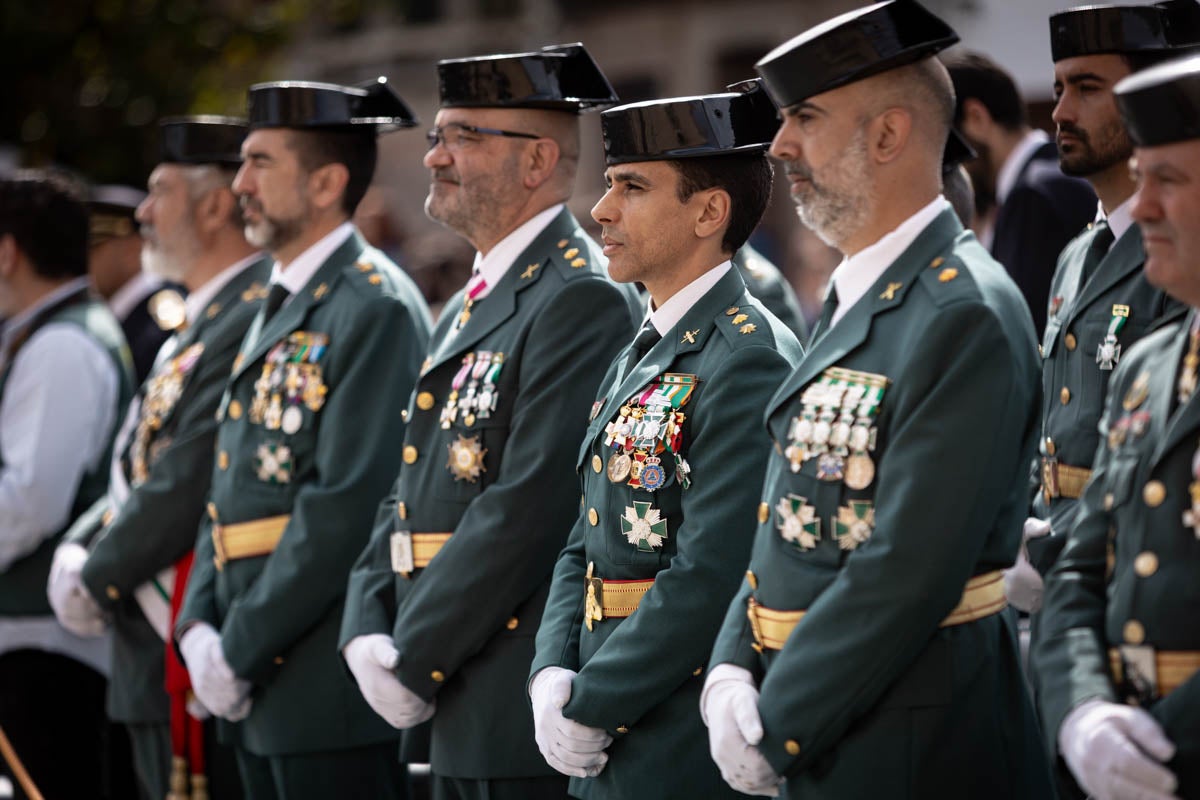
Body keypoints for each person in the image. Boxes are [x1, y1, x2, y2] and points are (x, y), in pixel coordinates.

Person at [700, 3, 1053, 797]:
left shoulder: (962, 310)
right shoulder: (860, 293)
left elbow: (906, 571)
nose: (779, 144)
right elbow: (787, 512)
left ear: (889, 135)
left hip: (918, 743)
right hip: (833, 725)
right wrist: (731, 665)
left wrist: (779, 721)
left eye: (805, 117)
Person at [338, 43, 638, 800]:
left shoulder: (579, 295)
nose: (434, 156)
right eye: (437, 135)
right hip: (447, 689)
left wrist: (413, 654)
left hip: (503, 691)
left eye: (463, 136)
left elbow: (529, 507)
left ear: (537, 161)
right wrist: (364, 621)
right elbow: (410, 482)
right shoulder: (472, 299)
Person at [529, 82, 803, 800]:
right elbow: (585, 536)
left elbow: (712, 572)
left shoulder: (748, 356)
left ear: (709, 212)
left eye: (632, 187)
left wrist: (594, 700)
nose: (601, 209)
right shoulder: (648, 344)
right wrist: (551, 670)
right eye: (610, 184)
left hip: (673, 735)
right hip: (602, 721)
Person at [174, 78, 432, 800]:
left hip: (321, 681)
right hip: (253, 674)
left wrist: (238, 647)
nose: (239, 184)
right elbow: (229, 480)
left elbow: (344, 505)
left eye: (261, 163)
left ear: (325, 183)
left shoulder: (372, 305)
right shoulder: (277, 298)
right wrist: (197, 623)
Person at [48, 116, 268, 800]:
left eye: (159, 192)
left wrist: (95, 574)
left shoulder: (250, 314)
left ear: (215, 205)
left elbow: (185, 477)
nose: (142, 213)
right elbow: (137, 462)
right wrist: (78, 547)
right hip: (148, 640)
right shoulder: (196, 320)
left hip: (194, 636)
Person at [1012, 5, 1200, 742]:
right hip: (1083, 596)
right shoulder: (1077, 254)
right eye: (1059, 87)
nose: (1060, 111)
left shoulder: (1170, 259)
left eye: (1088, 87)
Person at [0, 170, 134, 799]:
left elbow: (29, 502)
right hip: (38, 641)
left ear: (8, 252)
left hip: (46, 648)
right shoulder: (52, 332)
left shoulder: (61, 346)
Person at [945, 50, 1097, 334]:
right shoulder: (1049, 176)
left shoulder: (1033, 196)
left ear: (976, 118)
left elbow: (1025, 331)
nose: (955, 171)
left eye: (951, 152)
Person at [88, 184, 179, 383]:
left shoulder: (160, 321)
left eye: (94, 249)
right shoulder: (111, 314)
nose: (84, 263)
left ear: (132, 249)